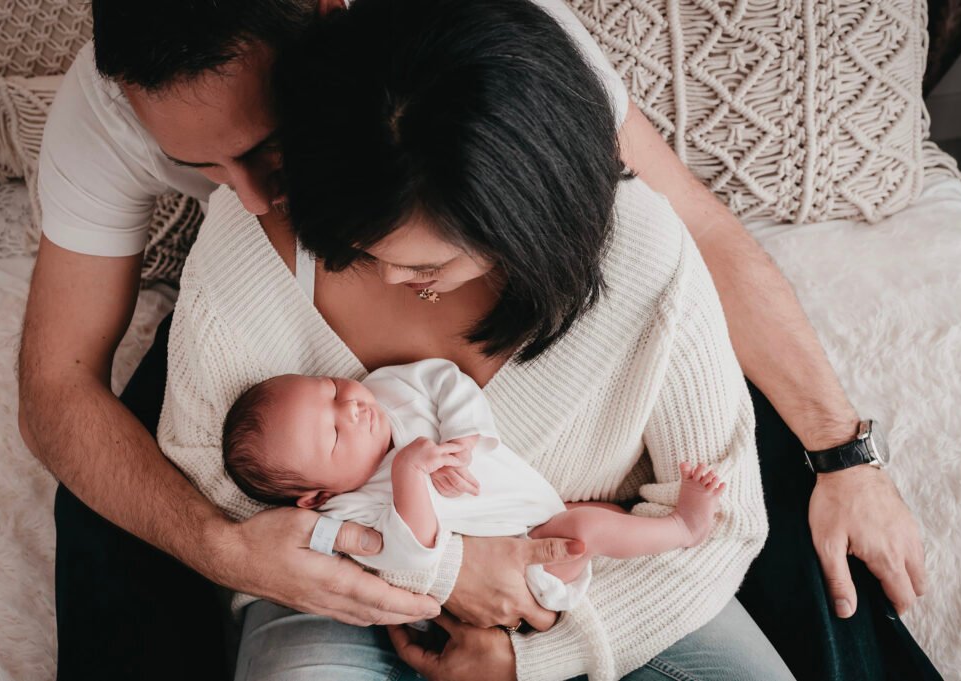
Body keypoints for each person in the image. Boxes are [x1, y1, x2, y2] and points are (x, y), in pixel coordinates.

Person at [13, 0, 934, 679]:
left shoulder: (508, 69)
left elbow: (704, 242)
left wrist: (845, 448)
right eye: (201, 169)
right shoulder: (208, 202)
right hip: (329, 468)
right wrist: (224, 545)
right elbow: (59, 385)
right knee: (118, 517)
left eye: (268, 149)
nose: (246, 193)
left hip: (542, 334)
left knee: (763, 505)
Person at [156, 2, 781, 677]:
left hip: (597, 587)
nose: (391, 278)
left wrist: (524, 657)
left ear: (526, 220)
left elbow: (725, 521)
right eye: (362, 249)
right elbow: (212, 474)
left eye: (427, 266)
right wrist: (442, 568)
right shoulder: (252, 237)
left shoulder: (644, 258)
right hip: (337, 593)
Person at [221, 361, 727, 612]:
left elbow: (445, 378)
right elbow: (409, 555)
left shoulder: (387, 390)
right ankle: (682, 527)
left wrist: (464, 435)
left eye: (331, 391)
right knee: (583, 530)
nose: (351, 408)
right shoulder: (347, 511)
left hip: (531, 504)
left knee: (585, 513)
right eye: (334, 434)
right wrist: (407, 475)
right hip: (527, 558)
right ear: (315, 496)